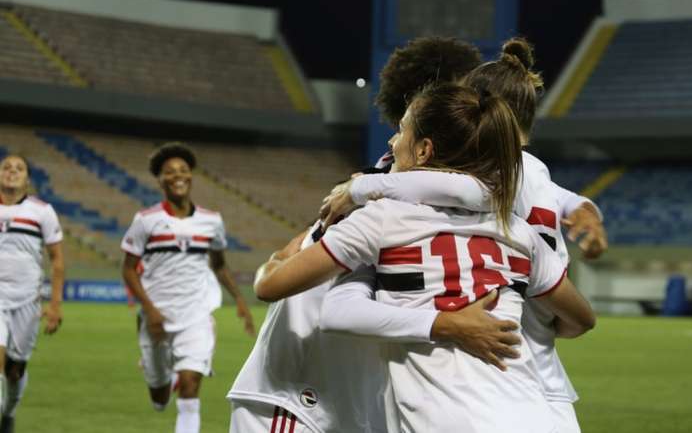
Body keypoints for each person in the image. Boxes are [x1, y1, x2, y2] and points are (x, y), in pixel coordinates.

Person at [254, 81, 596, 432]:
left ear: (423, 150)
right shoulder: (518, 232)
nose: (392, 142)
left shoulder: (381, 219)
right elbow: (581, 320)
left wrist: (282, 260)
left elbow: (271, 288)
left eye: (402, 130)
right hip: (533, 415)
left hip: (449, 420)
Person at [227, 37, 517, 433]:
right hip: (300, 399)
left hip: (350, 404)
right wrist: (448, 325)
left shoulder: (388, 190)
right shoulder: (379, 195)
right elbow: (287, 283)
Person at [121, 142, 255, 433]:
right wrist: (150, 310)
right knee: (159, 398)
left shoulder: (211, 221)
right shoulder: (145, 221)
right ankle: (162, 376)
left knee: (191, 386)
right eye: (169, 172)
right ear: (160, 180)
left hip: (196, 314)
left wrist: (240, 301)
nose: (177, 176)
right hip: (156, 317)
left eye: (183, 170)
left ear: (191, 175)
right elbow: (128, 270)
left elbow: (218, 265)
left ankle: (181, 378)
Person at [0, 154, 64, 433]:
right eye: (6, 167)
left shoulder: (42, 211)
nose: (12, 171)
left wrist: (55, 305)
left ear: (27, 178)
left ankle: (9, 413)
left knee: (16, 370)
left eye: (19, 168)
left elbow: (57, 260)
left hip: (27, 300)